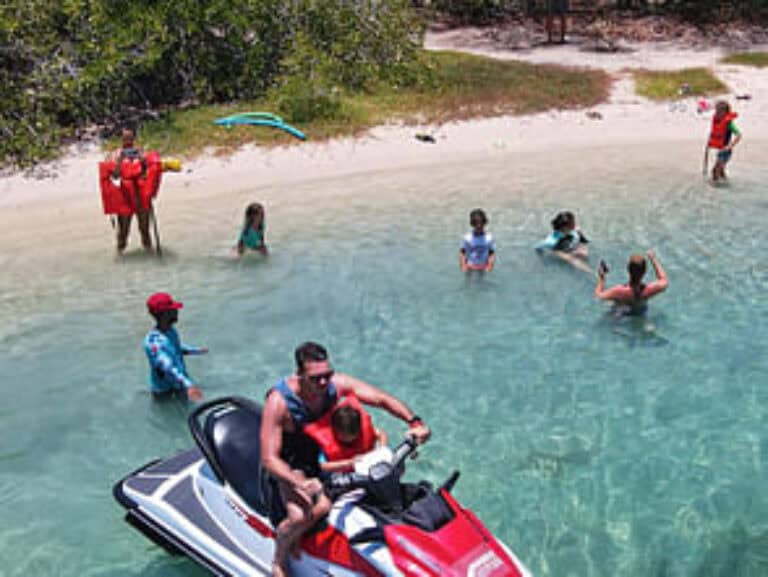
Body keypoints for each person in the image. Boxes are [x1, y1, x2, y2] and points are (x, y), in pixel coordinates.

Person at [260, 342, 430, 577]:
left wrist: (414, 422)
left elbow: (380, 398)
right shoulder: (279, 402)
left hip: (328, 456)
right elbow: (269, 458)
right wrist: (301, 483)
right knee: (305, 514)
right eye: (315, 378)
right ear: (299, 375)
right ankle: (279, 558)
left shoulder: (336, 384)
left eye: (327, 375)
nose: (323, 383)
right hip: (294, 465)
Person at [143, 292, 207, 402]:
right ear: (164, 314)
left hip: (179, 384)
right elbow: (167, 367)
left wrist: (196, 351)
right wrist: (189, 385)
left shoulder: (171, 331)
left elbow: (176, 348)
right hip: (164, 393)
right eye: (173, 309)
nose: (177, 311)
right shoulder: (153, 342)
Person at [303, 393, 388, 474]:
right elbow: (323, 466)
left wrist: (381, 448)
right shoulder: (325, 440)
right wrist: (349, 463)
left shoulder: (364, 430)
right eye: (344, 439)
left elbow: (381, 434)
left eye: (354, 438)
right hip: (342, 473)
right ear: (334, 431)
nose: (349, 442)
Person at [109, 127, 153, 252]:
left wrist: (143, 162)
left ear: (134, 138)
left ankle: (150, 254)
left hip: (141, 196)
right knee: (123, 231)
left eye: (130, 138)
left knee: (145, 230)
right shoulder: (115, 154)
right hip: (125, 196)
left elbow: (148, 173)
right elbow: (114, 176)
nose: (128, 141)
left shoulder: (141, 151)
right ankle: (120, 254)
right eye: (125, 138)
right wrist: (119, 161)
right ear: (121, 139)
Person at [594, 250, 669, 315]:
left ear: (628, 269)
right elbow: (664, 280)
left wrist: (602, 279)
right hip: (640, 315)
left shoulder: (618, 291)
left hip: (620, 315)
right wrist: (653, 259)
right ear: (645, 271)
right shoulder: (649, 290)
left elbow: (597, 296)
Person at [708, 100, 742, 183]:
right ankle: (726, 182)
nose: (717, 113)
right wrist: (709, 143)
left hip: (726, 151)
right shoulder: (718, 121)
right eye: (716, 111)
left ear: (725, 112)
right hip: (721, 149)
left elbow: (739, 135)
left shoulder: (729, 123)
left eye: (719, 112)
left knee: (715, 170)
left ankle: (716, 186)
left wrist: (730, 146)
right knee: (720, 170)